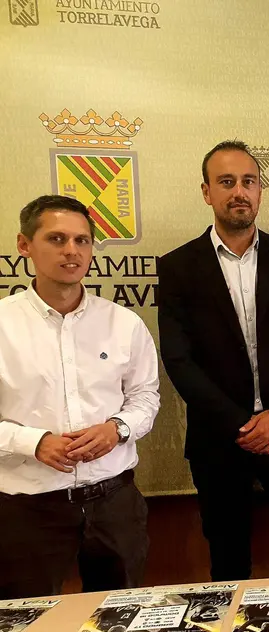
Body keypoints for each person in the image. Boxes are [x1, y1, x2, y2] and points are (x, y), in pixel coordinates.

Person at [158, 140, 269, 581]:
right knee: (229, 562)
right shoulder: (178, 266)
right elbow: (179, 360)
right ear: (206, 192)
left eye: (248, 182)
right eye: (226, 182)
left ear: (260, 191)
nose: (239, 192)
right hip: (219, 442)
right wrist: (243, 425)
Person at [0, 195, 159, 600]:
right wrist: (31, 442)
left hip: (115, 502)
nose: (72, 251)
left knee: (121, 622)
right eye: (56, 239)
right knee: (25, 623)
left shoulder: (123, 323)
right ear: (24, 245)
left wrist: (117, 429)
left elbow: (145, 398)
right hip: (29, 509)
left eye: (82, 241)